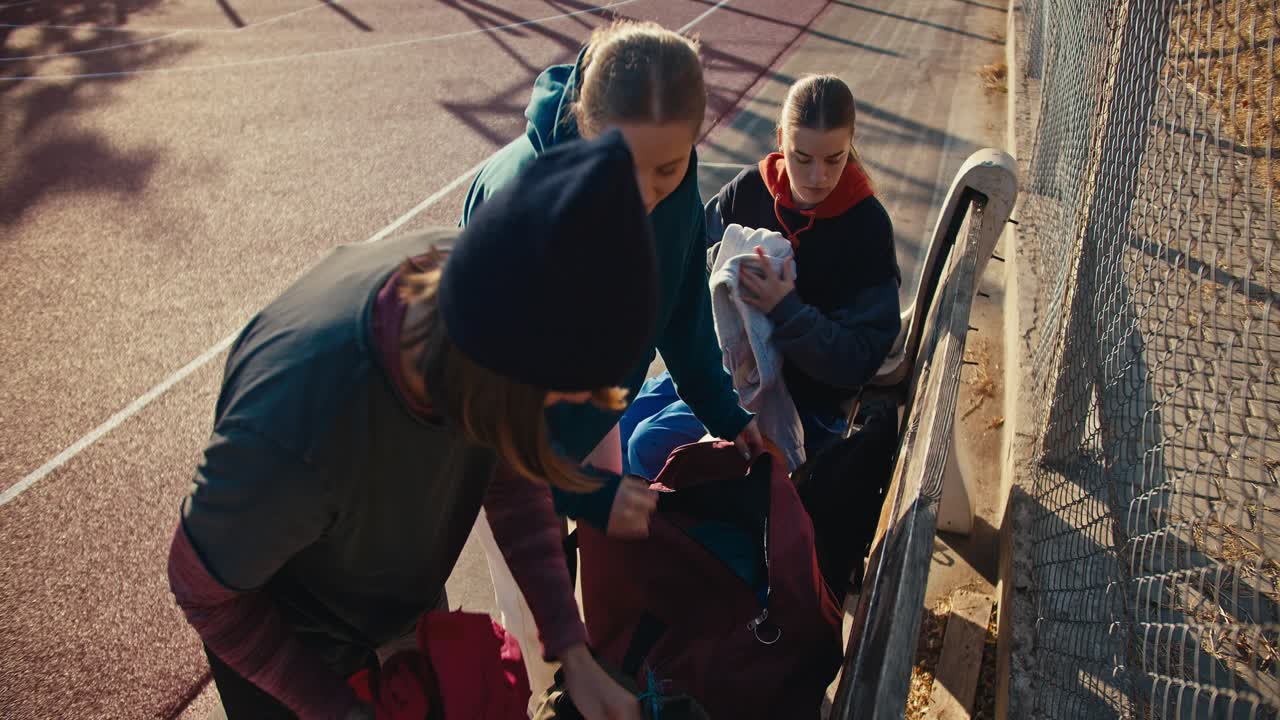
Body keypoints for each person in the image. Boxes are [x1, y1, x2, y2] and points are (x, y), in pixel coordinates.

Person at [167, 131, 659, 720]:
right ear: (502, 356)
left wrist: (570, 649)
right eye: (557, 392)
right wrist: (337, 710)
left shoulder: (489, 303)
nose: (559, 411)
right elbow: (205, 593)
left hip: (392, 585)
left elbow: (508, 468)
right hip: (293, 644)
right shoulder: (295, 434)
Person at [460, 19, 764, 699]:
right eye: (623, 168)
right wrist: (581, 497)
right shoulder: (521, 211)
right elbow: (492, 422)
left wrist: (725, 410)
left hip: (595, 409)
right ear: (583, 125)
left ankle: (603, 678)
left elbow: (681, 312)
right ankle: (551, 695)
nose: (646, 194)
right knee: (544, 633)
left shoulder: (675, 185)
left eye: (669, 168)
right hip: (495, 444)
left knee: (608, 598)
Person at [622, 73, 901, 479]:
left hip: (807, 403)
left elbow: (859, 359)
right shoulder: (749, 190)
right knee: (622, 420)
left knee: (645, 446)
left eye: (834, 159)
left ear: (850, 146)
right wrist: (721, 274)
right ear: (781, 139)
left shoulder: (866, 227)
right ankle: (631, 533)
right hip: (727, 367)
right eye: (801, 157)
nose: (817, 177)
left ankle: (663, 536)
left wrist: (785, 309)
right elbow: (688, 274)